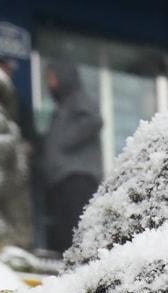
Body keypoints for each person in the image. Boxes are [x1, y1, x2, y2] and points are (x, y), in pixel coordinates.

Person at [39, 61, 103, 254]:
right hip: (61, 180)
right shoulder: (62, 107)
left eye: (51, 78)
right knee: (64, 233)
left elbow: (94, 120)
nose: (49, 84)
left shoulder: (77, 99)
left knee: (76, 231)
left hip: (77, 178)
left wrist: (62, 141)